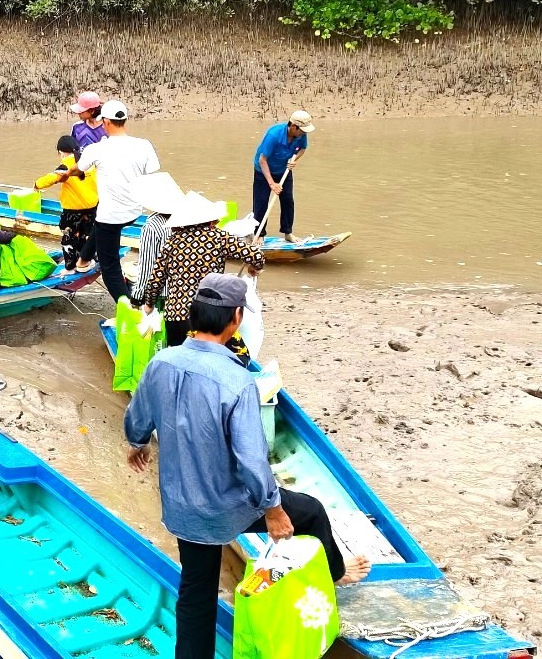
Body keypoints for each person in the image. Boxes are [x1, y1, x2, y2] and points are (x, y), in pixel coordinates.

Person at [124, 274, 371, 659]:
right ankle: (336, 574)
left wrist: (137, 443)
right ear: (235, 318)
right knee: (309, 511)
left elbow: (138, 413)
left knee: (196, 591)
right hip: (227, 503)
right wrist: (273, 510)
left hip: (183, 504)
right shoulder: (236, 380)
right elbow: (251, 458)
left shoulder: (161, 361)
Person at [56, 100, 159, 301]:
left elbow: (80, 168)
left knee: (109, 265)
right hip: (134, 211)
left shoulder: (97, 149)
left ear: (106, 122)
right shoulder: (144, 145)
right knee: (99, 226)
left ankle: (129, 306)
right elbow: (153, 174)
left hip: (111, 216)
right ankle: (83, 260)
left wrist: (68, 172)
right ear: (124, 120)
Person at [144, 191, 265, 347]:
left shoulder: (172, 242)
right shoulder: (219, 237)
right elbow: (256, 255)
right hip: (208, 313)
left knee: (181, 360)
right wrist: (254, 268)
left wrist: (149, 304)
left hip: (176, 315)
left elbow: (156, 279)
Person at [34, 135, 97, 272]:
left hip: (73, 211)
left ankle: (70, 266)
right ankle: (86, 261)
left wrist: (37, 185)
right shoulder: (89, 162)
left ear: (60, 152)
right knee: (86, 235)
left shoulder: (65, 166)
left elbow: (51, 178)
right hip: (92, 207)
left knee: (69, 238)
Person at [252, 110, 314, 242]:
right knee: (261, 202)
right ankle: (259, 234)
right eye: (301, 130)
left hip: (284, 170)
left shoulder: (301, 135)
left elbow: (302, 149)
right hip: (263, 170)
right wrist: (272, 183)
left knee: (288, 201)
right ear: (293, 126)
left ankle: (288, 233)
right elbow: (263, 160)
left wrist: (294, 159)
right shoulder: (273, 135)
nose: (304, 133)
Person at [128, 172, 184, 305]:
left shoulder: (152, 226)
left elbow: (147, 266)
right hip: (185, 290)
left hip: (161, 293)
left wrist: (138, 295)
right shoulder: (188, 220)